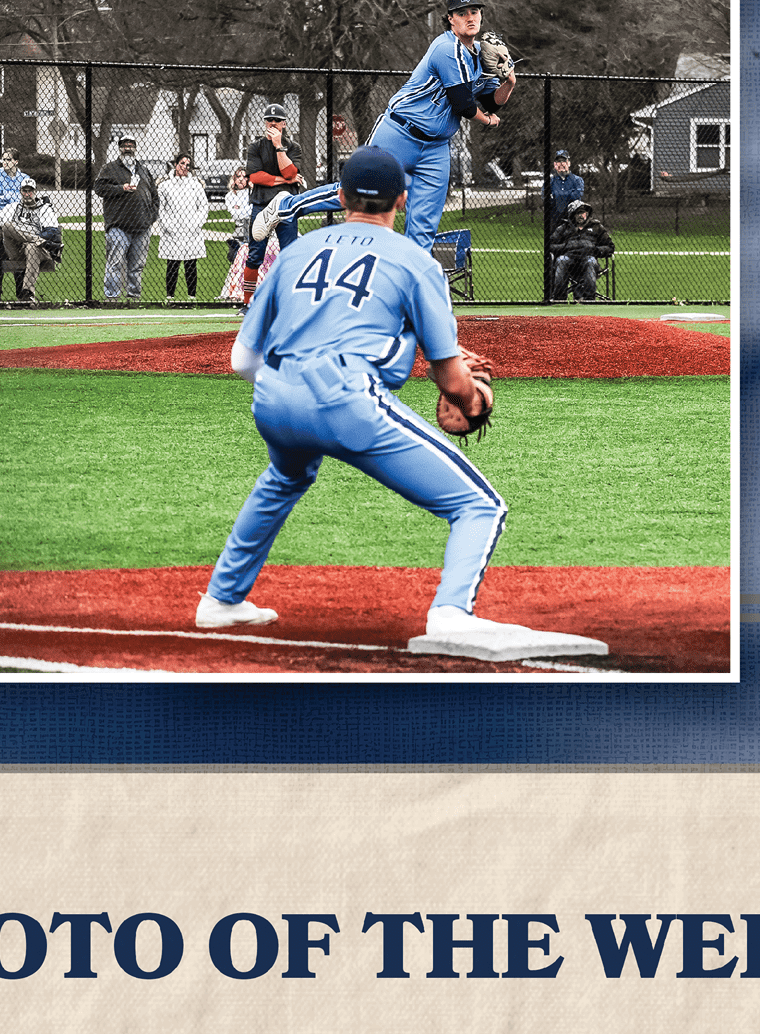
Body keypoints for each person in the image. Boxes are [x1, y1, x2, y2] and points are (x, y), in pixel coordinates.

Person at [195, 147, 606, 662]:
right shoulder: (415, 260)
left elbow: (240, 360)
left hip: (273, 399)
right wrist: (474, 400)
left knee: (285, 477)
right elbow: (451, 379)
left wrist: (298, 387)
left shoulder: (297, 251)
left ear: (340, 197)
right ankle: (452, 613)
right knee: (479, 506)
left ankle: (221, 599)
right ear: (404, 200)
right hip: (346, 400)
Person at [250, 0, 516, 254]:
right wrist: (489, 121)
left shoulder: (480, 55)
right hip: (399, 133)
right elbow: (465, 105)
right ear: (450, 19)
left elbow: (493, 100)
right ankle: (286, 206)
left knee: (423, 227)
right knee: (355, 191)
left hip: (436, 148)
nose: (470, 17)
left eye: (474, 11)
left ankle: (407, 285)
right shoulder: (446, 48)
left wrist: (509, 82)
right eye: (462, 13)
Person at [241, 104, 305, 306]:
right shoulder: (255, 146)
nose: (272, 123)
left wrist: (279, 146)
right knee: (255, 255)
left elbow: (289, 172)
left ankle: (289, 301)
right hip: (262, 203)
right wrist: (286, 181)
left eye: (277, 120)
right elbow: (256, 177)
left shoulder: (293, 147)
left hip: (286, 205)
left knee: (288, 254)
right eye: (269, 119)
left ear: (284, 124)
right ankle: (247, 302)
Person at [93, 134, 159, 303]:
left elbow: (154, 196)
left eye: (131, 144)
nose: (128, 147)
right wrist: (121, 188)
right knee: (115, 262)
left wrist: (151, 217)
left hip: (142, 226)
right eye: (124, 145)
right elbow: (99, 188)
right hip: (118, 225)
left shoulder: (143, 170)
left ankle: (133, 297)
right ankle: (112, 297)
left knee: (137, 265)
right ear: (119, 147)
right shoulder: (110, 168)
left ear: (135, 147)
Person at [0, 177, 63, 305]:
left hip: (38, 250)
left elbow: (52, 231)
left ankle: (27, 293)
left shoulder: (44, 208)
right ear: (20, 192)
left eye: (30, 191)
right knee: (6, 226)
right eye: (24, 191)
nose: (27, 194)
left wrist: (33, 239)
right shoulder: (13, 207)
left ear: (35, 192)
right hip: (17, 250)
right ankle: (36, 240)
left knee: (32, 247)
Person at [156, 153, 209, 301]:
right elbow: (160, 208)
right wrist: (168, 226)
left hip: (191, 231)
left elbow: (203, 207)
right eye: (182, 163)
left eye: (188, 165)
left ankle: (192, 296)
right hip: (172, 231)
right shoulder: (165, 186)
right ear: (175, 164)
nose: (185, 167)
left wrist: (195, 224)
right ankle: (170, 296)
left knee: (191, 264)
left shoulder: (195, 185)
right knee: (172, 263)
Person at [549, 199, 614, 303]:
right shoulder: (564, 228)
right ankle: (559, 299)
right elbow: (550, 246)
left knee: (590, 261)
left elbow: (610, 247)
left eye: (583, 213)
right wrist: (566, 247)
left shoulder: (596, 227)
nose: (581, 216)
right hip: (569, 259)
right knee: (561, 260)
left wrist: (595, 249)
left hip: (588, 259)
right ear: (572, 215)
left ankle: (589, 299)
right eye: (577, 213)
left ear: (587, 213)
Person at [0, 149, 25, 303]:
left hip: (15, 219)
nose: (5, 162)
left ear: (16, 161)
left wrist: (6, 197)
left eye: (8, 160)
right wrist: (13, 199)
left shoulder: (24, 178)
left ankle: (22, 295)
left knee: (19, 251)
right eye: (3, 159)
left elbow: (24, 200)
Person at [546, 148, 584, 238]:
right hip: (554, 218)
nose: (561, 164)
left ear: (569, 163)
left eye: (564, 161)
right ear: (555, 164)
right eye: (558, 162)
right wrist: (568, 193)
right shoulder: (550, 181)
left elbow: (577, 196)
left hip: (572, 217)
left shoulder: (577, 180)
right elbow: (545, 197)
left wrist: (556, 195)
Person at [224, 166, 250, 266]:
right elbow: (236, 215)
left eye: (244, 177)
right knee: (236, 259)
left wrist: (239, 209)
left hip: (252, 229)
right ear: (234, 179)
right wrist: (246, 210)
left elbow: (251, 211)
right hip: (239, 231)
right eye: (238, 176)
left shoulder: (251, 192)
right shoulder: (229, 196)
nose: (241, 179)